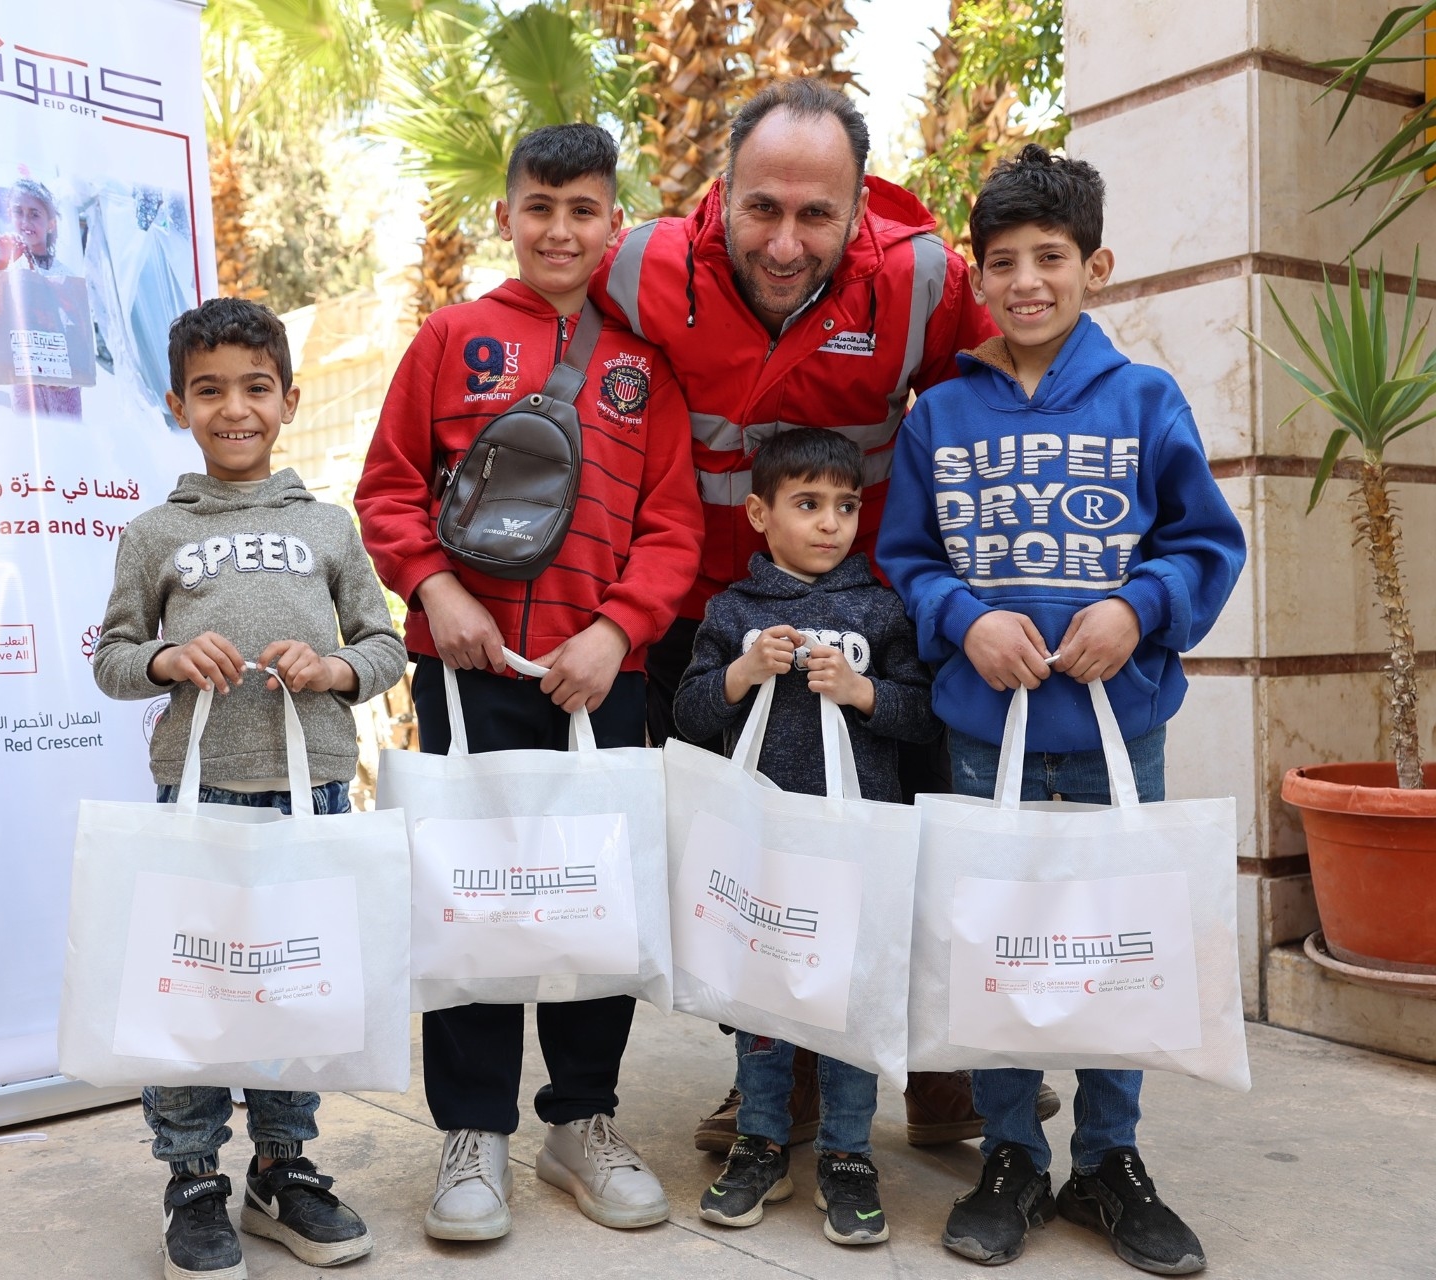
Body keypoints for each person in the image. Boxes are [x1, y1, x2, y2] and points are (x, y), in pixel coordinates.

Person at [589, 76, 1043, 1158]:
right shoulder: (639, 267)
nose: (785, 242)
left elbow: (1014, 377)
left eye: (815, 214)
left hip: (877, 622)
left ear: (859, 208)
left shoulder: (923, 281)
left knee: (908, 843)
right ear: (721, 191)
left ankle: (935, 1066)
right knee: (743, 858)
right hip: (708, 623)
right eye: (762, 208)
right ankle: (780, 1079)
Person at [877, 144, 1246, 1275]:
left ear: (1097, 265)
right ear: (976, 277)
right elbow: (908, 558)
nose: (1027, 281)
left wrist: (1138, 608)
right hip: (981, 733)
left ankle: (1109, 1159)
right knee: (997, 945)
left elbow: (1203, 543)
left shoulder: (1145, 399)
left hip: (1114, 734)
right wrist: (963, 618)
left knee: (1111, 946)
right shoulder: (939, 415)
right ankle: (1010, 1156)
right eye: (1003, 262)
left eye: (1050, 257)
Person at [355, 123, 701, 1241]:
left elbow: (673, 526)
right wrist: (435, 591)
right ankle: (473, 1133)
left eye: (583, 209)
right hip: (469, 675)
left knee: (595, 904)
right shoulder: (450, 338)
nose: (560, 229)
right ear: (504, 214)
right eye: (540, 207)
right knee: (474, 901)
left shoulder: (645, 366)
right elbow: (388, 490)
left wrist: (617, 631)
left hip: (601, 682)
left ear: (615, 222)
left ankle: (581, 1122)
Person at [92, 297, 406, 1280]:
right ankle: (192, 1179)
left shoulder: (327, 525)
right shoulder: (155, 533)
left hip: (312, 796)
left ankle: (283, 1168)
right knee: (190, 993)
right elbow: (112, 657)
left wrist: (334, 669)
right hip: (199, 800)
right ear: (178, 406)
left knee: (291, 992)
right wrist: (168, 658)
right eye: (210, 390)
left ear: (289, 400)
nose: (235, 408)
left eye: (256, 387)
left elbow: (385, 644)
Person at [675, 429, 938, 1246]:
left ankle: (848, 1152)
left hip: (856, 849)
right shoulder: (734, 612)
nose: (830, 523)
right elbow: (688, 713)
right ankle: (760, 1139)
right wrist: (743, 672)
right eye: (809, 504)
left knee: (847, 1000)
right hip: (761, 849)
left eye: (846, 506)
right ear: (760, 513)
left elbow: (922, 716)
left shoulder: (880, 609)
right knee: (761, 995)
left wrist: (862, 692)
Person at [0, 177, 84, 419]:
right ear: (10, 215)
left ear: (51, 223)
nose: (25, 222)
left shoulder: (63, 273)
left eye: (34, 214)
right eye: (18, 212)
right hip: (24, 381)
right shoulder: (4, 261)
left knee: (67, 437)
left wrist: (70, 375)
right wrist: (1, 260)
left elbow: (77, 334)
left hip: (62, 382)